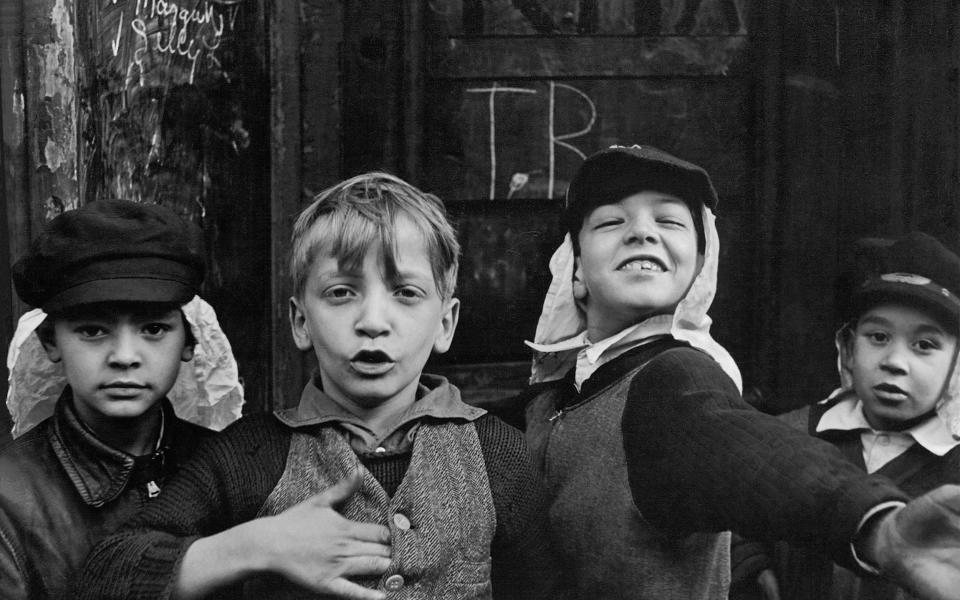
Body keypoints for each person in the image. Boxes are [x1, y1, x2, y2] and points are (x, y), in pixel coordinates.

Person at [75, 172, 561, 600]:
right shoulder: (249, 456)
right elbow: (104, 576)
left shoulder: (499, 457)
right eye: (341, 293)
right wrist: (255, 546)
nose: (372, 321)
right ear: (300, 321)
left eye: (405, 293)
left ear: (445, 325)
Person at [504, 144, 960, 600]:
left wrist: (875, 525)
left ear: (701, 265)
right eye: (610, 221)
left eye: (669, 221)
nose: (641, 232)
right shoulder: (552, 397)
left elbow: (750, 451)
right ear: (575, 269)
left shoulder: (671, 378)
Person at [0, 199, 244, 600]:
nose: (125, 356)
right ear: (50, 342)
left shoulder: (231, 468)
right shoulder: (9, 497)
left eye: (153, 328)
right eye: (93, 331)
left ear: (190, 340)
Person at [765, 232, 960, 600]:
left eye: (924, 345)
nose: (894, 362)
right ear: (849, 347)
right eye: (878, 336)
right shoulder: (788, 435)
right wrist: (750, 568)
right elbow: (733, 520)